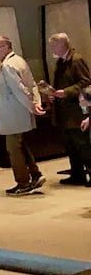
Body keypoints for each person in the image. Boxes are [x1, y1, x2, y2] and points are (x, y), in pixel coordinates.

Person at [0, 36, 48, 195]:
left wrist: (33, 107)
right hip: (21, 113)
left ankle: (23, 183)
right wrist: (37, 103)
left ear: (6, 47)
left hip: (14, 114)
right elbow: (32, 85)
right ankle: (35, 174)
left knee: (13, 149)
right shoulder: (20, 61)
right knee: (21, 145)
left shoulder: (8, 65)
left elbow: (20, 90)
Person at [47, 34, 91, 185]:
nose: (51, 49)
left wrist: (67, 91)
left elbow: (86, 81)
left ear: (62, 45)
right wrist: (53, 93)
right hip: (64, 112)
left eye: (53, 46)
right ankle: (77, 174)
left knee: (83, 145)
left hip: (76, 111)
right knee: (71, 146)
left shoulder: (76, 60)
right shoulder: (61, 61)